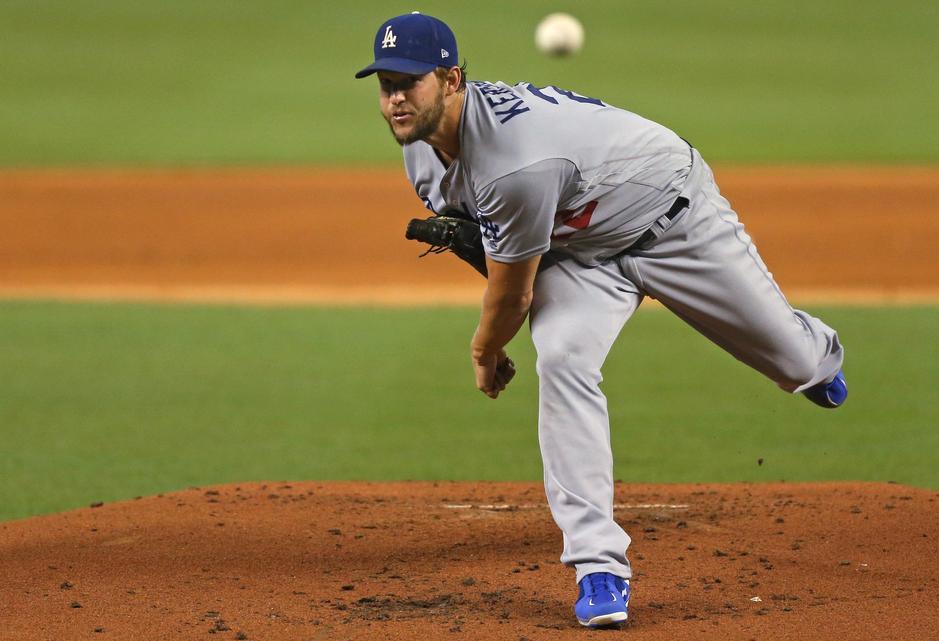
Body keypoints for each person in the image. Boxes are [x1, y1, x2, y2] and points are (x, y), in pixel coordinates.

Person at [356, 12, 847, 628]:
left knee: (797, 363)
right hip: (582, 254)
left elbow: (511, 296)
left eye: (411, 82)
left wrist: (485, 352)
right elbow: (506, 257)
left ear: (452, 80)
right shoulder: (423, 158)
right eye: (386, 85)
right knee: (562, 356)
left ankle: (818, 354)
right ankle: (599, 567)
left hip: (673, 218)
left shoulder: (515, 163)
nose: (396, 98)